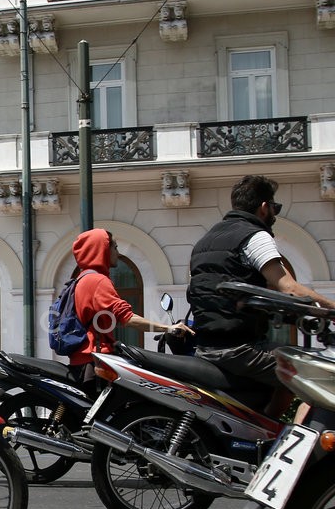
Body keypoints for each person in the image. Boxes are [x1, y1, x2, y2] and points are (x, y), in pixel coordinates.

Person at [188, 175, 335, 418]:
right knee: (312, 373)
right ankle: (283, 443)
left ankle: (265, 429)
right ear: (264, 207)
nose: (275, 214)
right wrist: (330, 310)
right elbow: (288, 287)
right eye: (275, 207)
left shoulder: (205, 241)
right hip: (239, 349)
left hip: (207, 345)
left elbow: (248, 287)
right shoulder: (253, 236)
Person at [67, 228, 192, 397]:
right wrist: (168, 328)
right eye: (115, 247)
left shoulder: (82, 279)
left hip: (84, 360)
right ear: (103, 249)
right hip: (95, 362)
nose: (117, 253)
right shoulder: (98, 281)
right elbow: (128, 318)